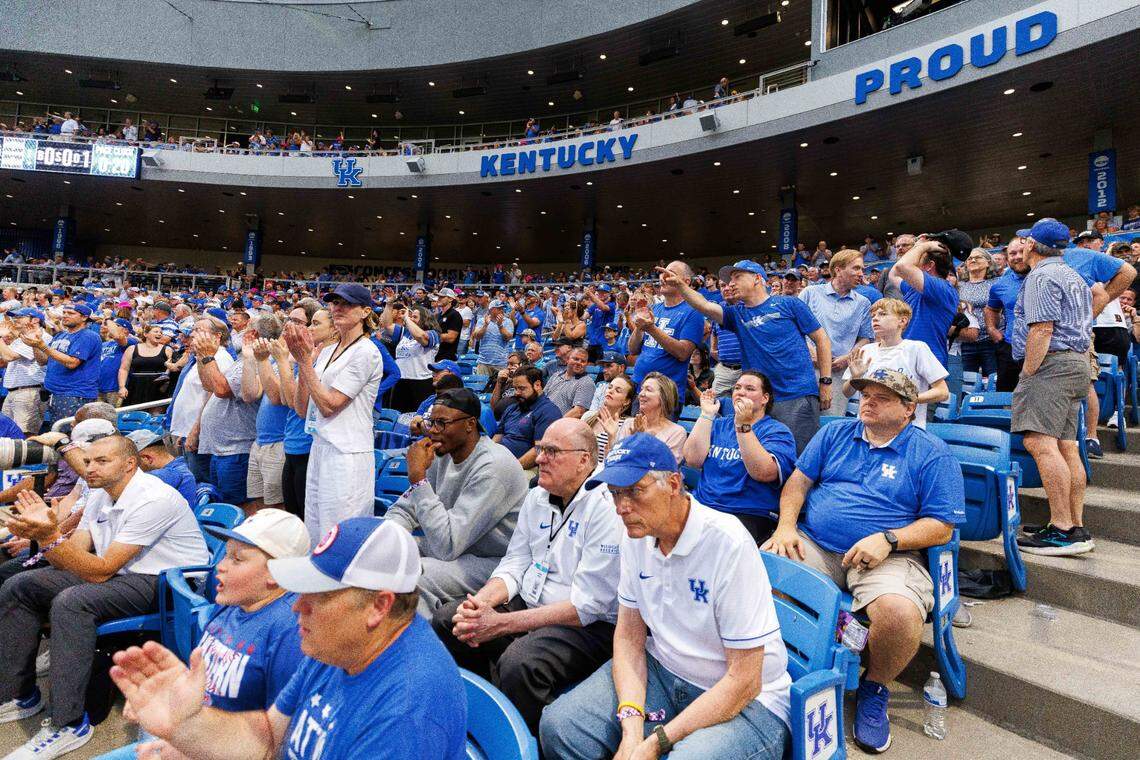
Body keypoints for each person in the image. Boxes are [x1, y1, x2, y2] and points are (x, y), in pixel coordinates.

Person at [109, 518, 466, 760]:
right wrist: (186, 725)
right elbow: (266, 738)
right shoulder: (340, 645)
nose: (296, 606)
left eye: (318, 595)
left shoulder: (405, 715)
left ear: (378, 606)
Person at [540, 433, 792, 760]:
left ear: (674, 484)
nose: (621, 507)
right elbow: (629, 637)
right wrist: (631, 728)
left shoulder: (726, 542)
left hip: (748, 702)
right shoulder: (636, 534)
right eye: (615, 494)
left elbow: (744, 681)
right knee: (561, 726)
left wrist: (655, 742)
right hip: (665, 671)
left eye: (634, 491)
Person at [762, 370, 964, 754]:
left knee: (900, 613)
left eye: (881, 397)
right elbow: (799, 483)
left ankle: (875, 686)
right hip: (815, 543)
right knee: (759, 571)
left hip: (889, 556)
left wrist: (890, 538)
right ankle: (767, 670)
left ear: (908, 409)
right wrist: (787, 526)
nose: (866, 401)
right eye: (865, 394)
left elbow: (942, 526)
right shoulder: (835, 433)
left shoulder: (931, 452)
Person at [0, 435, 209, 759]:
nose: (90, 468)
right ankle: (19, 694)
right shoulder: (99, 493)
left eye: (101, 461)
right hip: (124, 574)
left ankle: (69, 724)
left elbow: (99, 571)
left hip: (168, 582)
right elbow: (75, 554)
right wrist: (43, 537)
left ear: (129, 464)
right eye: (88, 460)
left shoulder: (154, 498)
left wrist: (50, 535)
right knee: (21, 585)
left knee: (72, 602)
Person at [432, 418, 622, 733]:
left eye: (551, 451)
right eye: (539, 450)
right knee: (452, 621)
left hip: (585, 624)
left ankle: (525, 740)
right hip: (532, 601)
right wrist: (480, 606)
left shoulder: (607, 507)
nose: (540, 459)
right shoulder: (537, 495)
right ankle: (480, 717)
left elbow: (586, 607)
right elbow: (517, 560)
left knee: (520, 663)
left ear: (584, 460)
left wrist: (499, 624)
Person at [100, 508, 310, 760]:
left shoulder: (289, 632)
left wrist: (190, 747)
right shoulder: (232, 603)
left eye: (237, 559)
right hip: (193, 729)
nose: (220, 566)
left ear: (277, 573)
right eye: (226, 555)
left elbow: (280, 740)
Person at [664, 260, 832, 453]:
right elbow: (703, 305)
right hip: (759, 401)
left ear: (757, 279)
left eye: (737, 277)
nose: (731, 283)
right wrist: (680, 285)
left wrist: (825, 381)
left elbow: (822, 340)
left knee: (797, 458)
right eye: (729, 279)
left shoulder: (789, 304)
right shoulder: (736, 314)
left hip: (797, 395)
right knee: (761, 456)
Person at [384, 389, 526, 615]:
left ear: (470, 424)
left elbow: (447, 546)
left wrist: (419, 480)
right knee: (380, 555)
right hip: (454, 546)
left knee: (416, 576)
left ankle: (420, 647)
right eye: (431, 422)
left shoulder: (493, 466)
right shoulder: (444, 453)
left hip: (493, 561)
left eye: (442, 423)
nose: (433, 431)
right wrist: (387, 539)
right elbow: (405, 509)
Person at [1009, 219, 1095, 556]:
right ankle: (1076, 525)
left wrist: (1028, 373)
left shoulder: (1042, 276)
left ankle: (1061, 528)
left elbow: (1042, 330)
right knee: (1067, 446)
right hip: (1077, 362)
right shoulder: (1073, 274)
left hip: (1052, 365)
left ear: (1031, 245)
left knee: (1039, 442)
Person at [283, 284, 384, 543]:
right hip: (321, 445)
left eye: (346, 303)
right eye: (334, 302)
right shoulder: (327, 351)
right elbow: (302, 407)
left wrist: (305, 361)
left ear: (365, 312)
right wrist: (304, 358)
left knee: (340, 533)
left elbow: (329, 405)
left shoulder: (367, 352)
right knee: (316, 526)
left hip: (347, 453)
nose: (337, 307)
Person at [682, 374, 797, 543]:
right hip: (702, 506)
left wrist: (743, 426)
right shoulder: (719, 424)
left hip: (746, 512)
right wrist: (706, 414)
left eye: (749, 389)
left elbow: (763, 473)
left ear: (765, 398)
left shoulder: (777, 431)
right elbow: (692, 459)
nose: (740, 392)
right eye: (737, 388)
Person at [843, 298, 950, 427]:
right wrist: (855, 377)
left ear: (902, 321)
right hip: (867, 429)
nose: (875, 319)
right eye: (873, 316)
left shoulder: (916, 348)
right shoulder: (865, 350)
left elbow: (942, 392)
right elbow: (847, 392)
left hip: (906, 429)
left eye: (882, 314)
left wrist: (905, 399)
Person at [799, 249, 874, 415]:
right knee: (800, 422)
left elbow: (866, 338)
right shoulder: (810, 293)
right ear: (838, 269)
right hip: (806, 369)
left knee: (830, 424)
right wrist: (811, 352)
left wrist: (847, 359)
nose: (861, 273)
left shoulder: (863, 303)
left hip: (838, 374)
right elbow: (795, 329)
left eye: (862, 269)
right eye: (856, 268)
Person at [167, 316, 234, 485]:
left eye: (198, 330)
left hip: (200, 435)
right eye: (193, 330)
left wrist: (194, 432)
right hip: (188, 431)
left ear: (217, 336)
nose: (192, 334)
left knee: (198, 484)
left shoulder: (221, 358)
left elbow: (213, 398)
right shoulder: (199, 357)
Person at [889, 231, 970, 369]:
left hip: (928, 362)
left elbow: (901, 267)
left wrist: (922, 247)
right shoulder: (915, 287)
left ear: (929, 265)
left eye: (919, 259)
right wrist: (920, 247)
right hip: (909, 359)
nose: (915, 261)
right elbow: (894, 274)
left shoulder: (942, 288)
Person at [629, 261, 703, 395]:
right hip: (638, 385)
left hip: (664, 394)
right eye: (662, 273)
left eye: (670, 274)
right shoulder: (654, 309)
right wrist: (639, 327)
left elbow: (683, 353)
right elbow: (632, 349)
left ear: (685, 281)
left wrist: (651, 329)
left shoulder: (693, 312)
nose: (663, 277)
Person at [23, 303, 101, 425]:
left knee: (68, 435)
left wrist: (42, 346)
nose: (65, 316)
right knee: (56, 433)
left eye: (70, 313)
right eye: (64, 313)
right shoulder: (60, 335)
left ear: (84, 317)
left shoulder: (89, 336)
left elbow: (72, 363)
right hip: (54, 393)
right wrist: (35, 344)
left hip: (74, 394)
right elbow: (43, 361)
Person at [985, 237, 1031, 391]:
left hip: (1047, 349)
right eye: (1012, 253)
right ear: (1007, 258)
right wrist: (992, 329)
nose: (1017, 256)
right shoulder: (1000, 285)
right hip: (1010, 348)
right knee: (1005, 400)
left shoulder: (1048, 276)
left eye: (1022, 252)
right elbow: (991, 308)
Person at [495, 366, 563, 469]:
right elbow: (498, 436)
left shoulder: (548, 411)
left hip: (526, 469)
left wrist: (511, 470)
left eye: (522, 388)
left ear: (537, 385)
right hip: (499, 462)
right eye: (515, 388)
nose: (517, 393)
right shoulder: (512, 408)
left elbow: (539, 450)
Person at [613, 372, 687, 461]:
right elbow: (615, 459)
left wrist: (641, 438)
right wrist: (612, 435)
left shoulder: (676, 432)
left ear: (664, 397)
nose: (641, 394)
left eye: (648, 390)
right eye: (641, 389)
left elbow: (665, 469)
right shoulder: (629, 423)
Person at [0, 307, 50, 435]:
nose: (15, 319)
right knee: (7, 433)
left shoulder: (41, 336)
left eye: (20, 317)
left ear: (35, 320)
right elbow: (4, 361)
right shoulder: (22, 338)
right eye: (15, 317)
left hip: (29, 391)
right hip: (15, 391)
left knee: (25, 434)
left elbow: (9, 356)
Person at [383, 303, 441, 413]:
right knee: (399, 417)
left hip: (421, 382)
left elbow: (421, 337)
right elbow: (386, 325)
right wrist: (389, 304)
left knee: (418, 418)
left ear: (424, 319)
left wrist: (406, 318)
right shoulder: (405, 333)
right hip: (401, 381)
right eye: (411, 316)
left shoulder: (433, 334)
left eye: (415, 317)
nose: (411, 319)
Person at [125, 429, 199, 507]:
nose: (128, 467)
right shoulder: (185, 464)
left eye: (130, 463)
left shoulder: (163, 475)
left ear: (147, 458)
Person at [956, 248, 999, 378]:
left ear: (988, 262)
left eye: (978, 257)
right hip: (965, 342)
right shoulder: (959, 286)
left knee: (994, 381)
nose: (973, 260)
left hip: (991, 341)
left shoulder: (997, 283)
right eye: (969, 258)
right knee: (967, 383)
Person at [583, 374, 635, 463]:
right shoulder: (588, 416)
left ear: (626, 401)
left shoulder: (629, 424)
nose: (611, 391)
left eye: (618, 391)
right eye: (610, 387)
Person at [117, 323, 170, 406]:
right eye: (156, 331)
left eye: (161, 333)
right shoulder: (132, 349)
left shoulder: (167, 350)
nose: (159, 334)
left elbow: (170, 369)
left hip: (158, 388)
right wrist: (122, 387)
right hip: (136, 387)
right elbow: (124, 369)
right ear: (146, 334)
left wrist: (165, 384)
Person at [543, 345, 595, 417]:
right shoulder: (556, 375)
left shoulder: (586, 382)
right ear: (567, 360)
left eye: (583, 361)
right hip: (542, 418)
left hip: (559, 424)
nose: (579, 363)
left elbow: (578, 412)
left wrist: (553, 425)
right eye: (576, 359)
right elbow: (542, 398)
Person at [472, 299, 514, 376]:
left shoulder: (508, 321)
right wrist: (485, 325)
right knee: (482, 386)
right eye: (498, 308)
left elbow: (508, 338)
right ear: (491, 309)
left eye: (502, 308)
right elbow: (477, 337)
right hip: (483, 362)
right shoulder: (482, 321)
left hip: (501, 362)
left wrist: (500, 326)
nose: (501, 310)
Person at [584, 284, 615, 363]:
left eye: (604, 292)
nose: (601, 294)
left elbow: (603, 307)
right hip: (593, 341)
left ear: (609, 294)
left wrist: (590, 294)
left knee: (602, 365)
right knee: (589, 364)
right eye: (599, 292)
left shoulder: (612, 305)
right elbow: (584, 317)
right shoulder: (594, 306)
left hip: (604, 342)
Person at [434, 288, 464, 361]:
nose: (439, 299)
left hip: (447, 357)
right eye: (439, 297)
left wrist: (431, 336)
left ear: (450, 299)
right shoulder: (438, 315)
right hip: (436, 355)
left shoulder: (455, 315)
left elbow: (451, 338)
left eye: (442, 297)